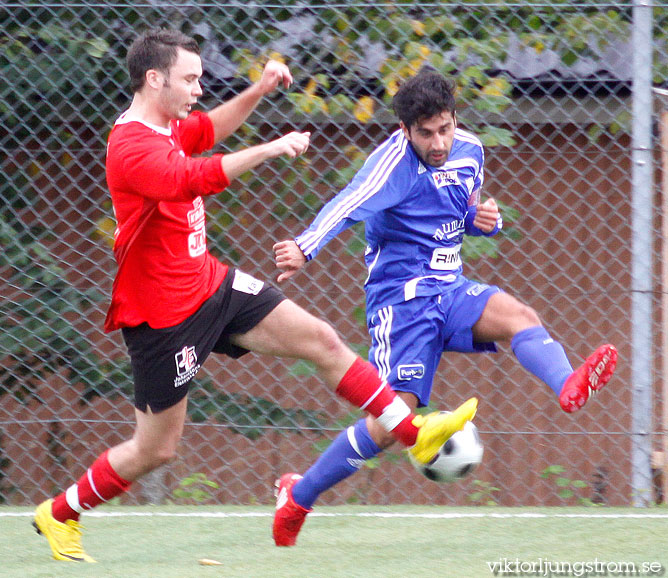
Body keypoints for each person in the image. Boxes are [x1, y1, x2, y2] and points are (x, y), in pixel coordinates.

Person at [31, 30, 478, 563]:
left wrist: (259, 90)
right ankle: (59, 513)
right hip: (164, 316)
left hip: (211, 285)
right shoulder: (130, 145)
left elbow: (207, 130)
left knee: (322, 340)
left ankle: (415, 435)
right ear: (155, 79)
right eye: (190, 79)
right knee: (156, 449)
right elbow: (191, 177)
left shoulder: (170, 125)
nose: (199, 89)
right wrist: (271, 147)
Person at [272, 68, 618, 546]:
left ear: (455, 119)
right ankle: (298, 497)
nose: (438, 142)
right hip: (403, 302)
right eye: (426, 133)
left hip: (450, 289)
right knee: (392, 421)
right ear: (405, 130)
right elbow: (348, 203)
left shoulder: (470, 150)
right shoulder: (391, 166)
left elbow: (461, 211)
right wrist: (304, 248)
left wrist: (484, 223)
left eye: (445, 128)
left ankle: (568, 385)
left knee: (520, 318)